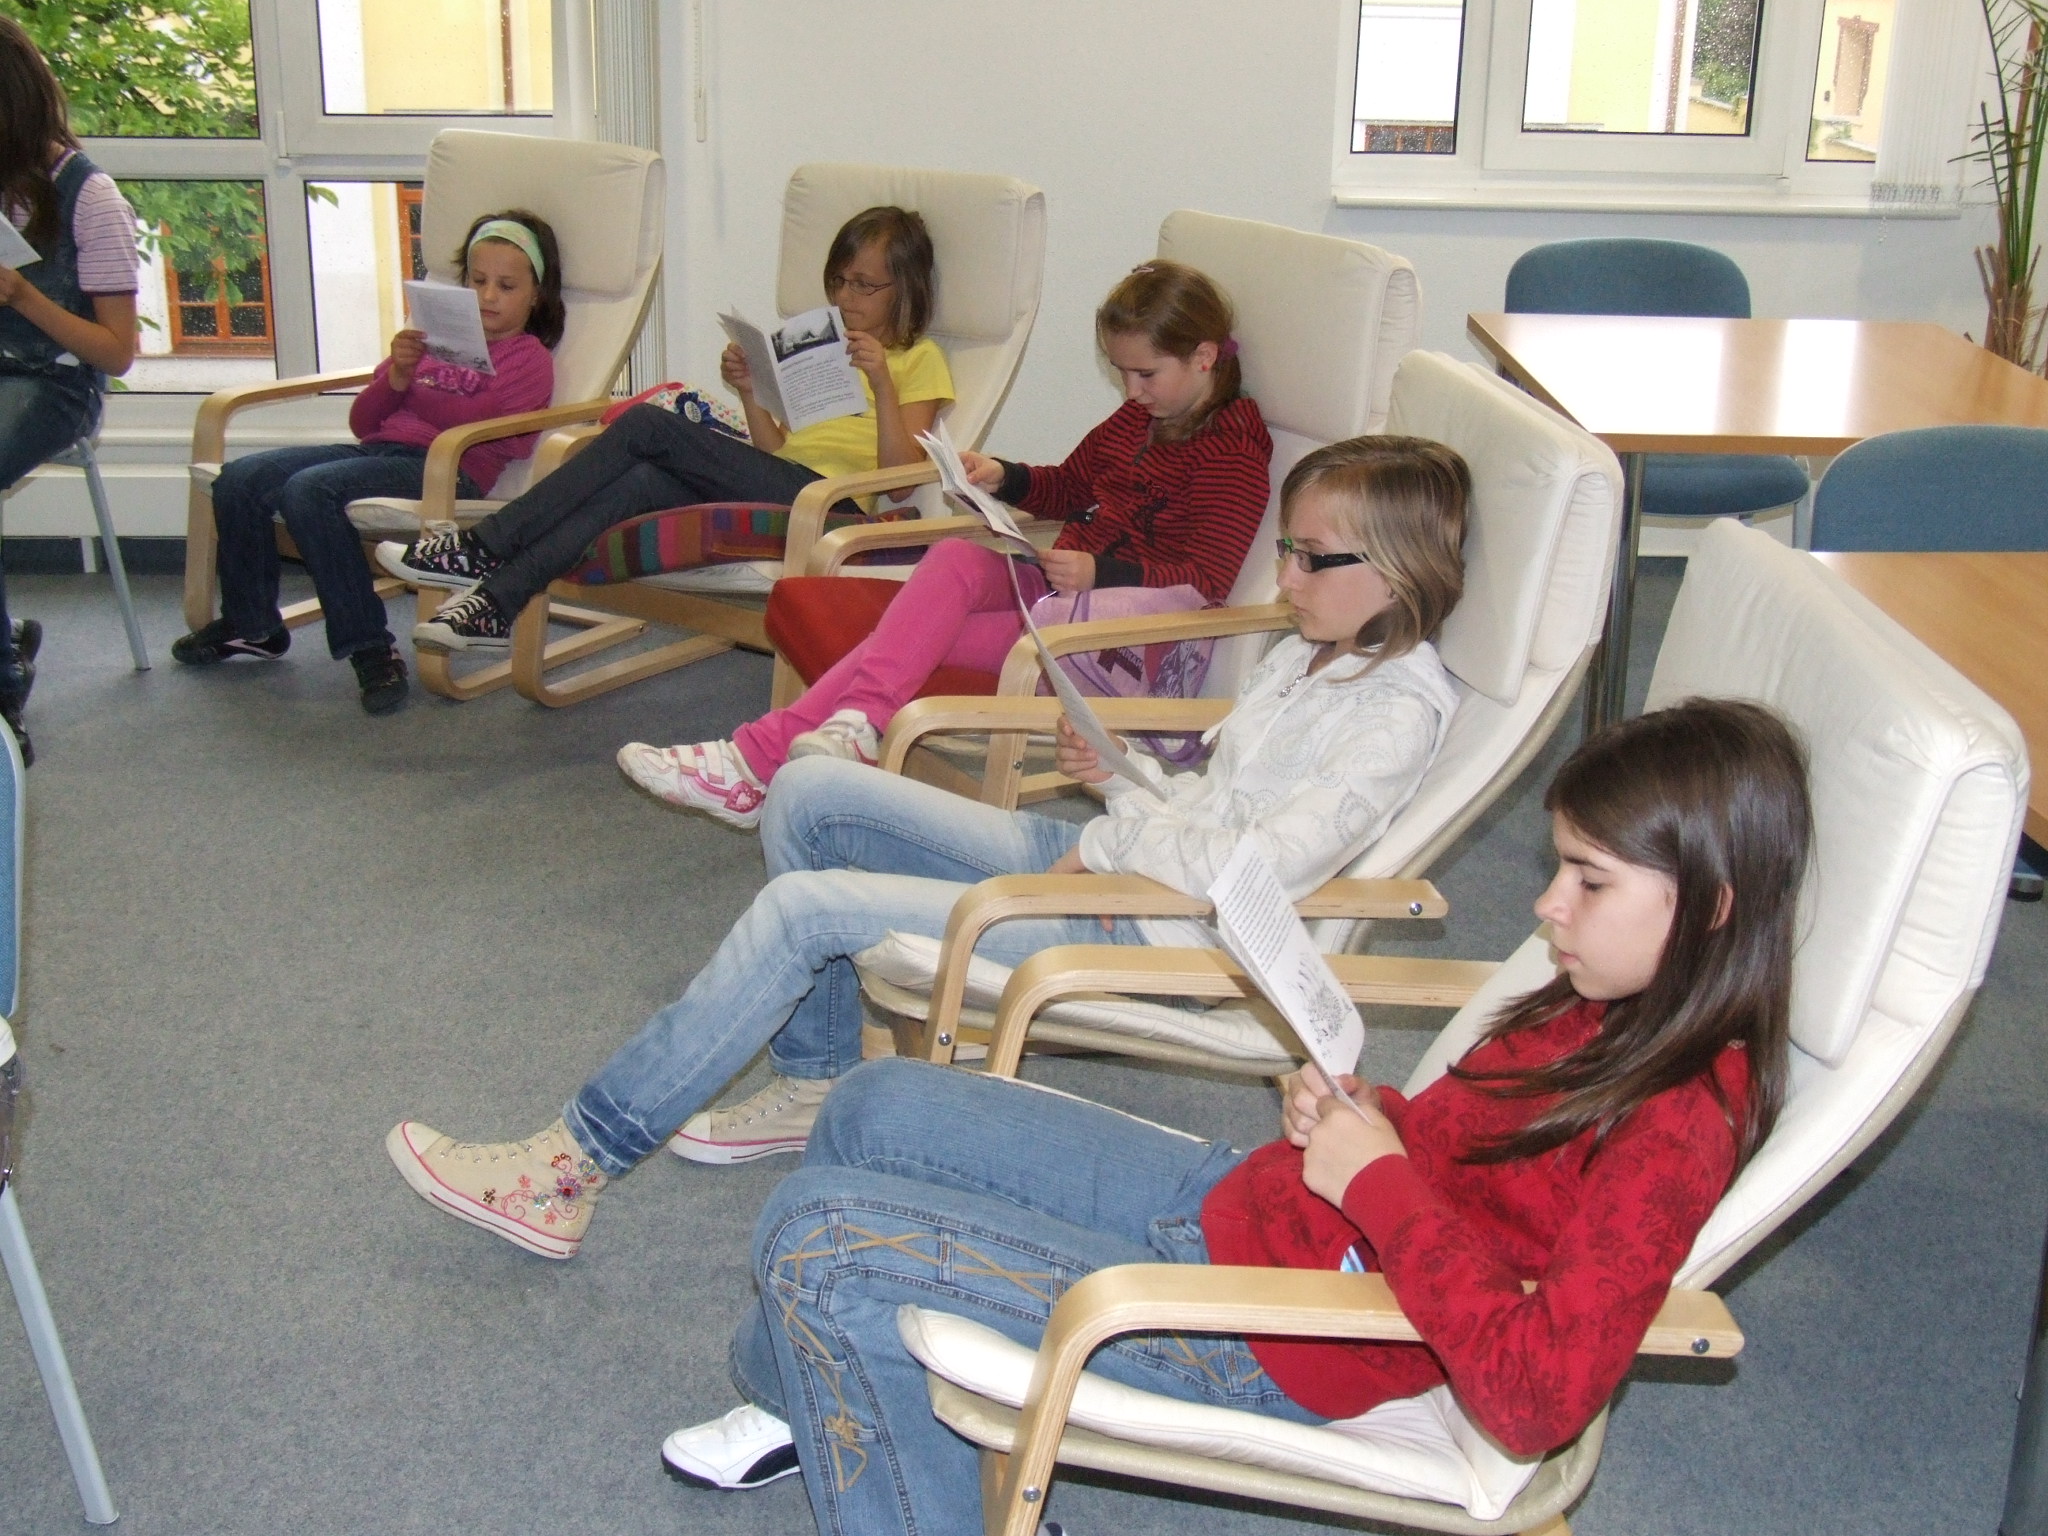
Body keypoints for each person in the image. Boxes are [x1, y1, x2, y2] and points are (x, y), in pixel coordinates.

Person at [656, 695, 1813, 1531]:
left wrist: (1375, 1180)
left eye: (1588, 881)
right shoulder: (1603, 999)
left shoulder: (1677, 1123)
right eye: (1559, 867)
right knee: (872, 1104)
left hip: (1270, 1334)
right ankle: (817, 1394)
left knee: (816, 1240)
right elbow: (1476, 1163)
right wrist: (1364, 1115)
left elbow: (1534, 1396)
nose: (1546, 904)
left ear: (1711, 906)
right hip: (1238, 1203)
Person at [385, 433, 1468, 1235]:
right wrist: (1126, 777)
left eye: (1311, 558)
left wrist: (1116, 829)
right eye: (1286, 550)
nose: (1283, 578)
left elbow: (1255, 869)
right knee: (811, 790)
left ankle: (569, 1168)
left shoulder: (1392, 716)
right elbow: (1217, 804)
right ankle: (815, 1078)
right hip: (1115, 867)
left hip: (1160, 932)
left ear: (1397, 572)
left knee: (803, 911)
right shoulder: (1316, 651)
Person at [615, 259, 1273, 830]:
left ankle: (753, 762)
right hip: (1057, 593)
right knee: (955, 558)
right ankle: (845, 731)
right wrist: (1003, 475)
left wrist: (1102, 571)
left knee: (916, 637)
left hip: (1111, 638)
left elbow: (1205, 578)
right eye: (1122, 373)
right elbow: (1073, 485)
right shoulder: (1141, 418)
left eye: (1145, 374)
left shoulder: (1234, 454)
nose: (1131, 391)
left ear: (1204, 357)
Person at [376, 205, 953, 653]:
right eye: (840, 281)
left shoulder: (918, 358)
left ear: (905, 288)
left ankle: (480, 547)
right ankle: (496, 606)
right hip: (785, 483)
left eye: (864, 285)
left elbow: (900, 480)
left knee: (650, 423)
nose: (846, 297)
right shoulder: (828, 349)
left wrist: (882, 384)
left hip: (834, 507)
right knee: (639, 483)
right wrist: (750, 392)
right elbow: (777, 450)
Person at [171, 210, 562, 714]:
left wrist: (426, 382)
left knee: (309, 491)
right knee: (240, 479)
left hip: (447, 471)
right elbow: (363, 421)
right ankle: (253, 626)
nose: (488, 296)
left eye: (506, 286)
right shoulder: (428, 339)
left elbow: (507, 438)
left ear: (535, 295)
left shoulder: (528, 358)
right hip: (378, 451)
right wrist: (397, 376)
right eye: (477, 280)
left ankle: (370, 647)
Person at [0, 17, 141, 764]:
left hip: (56, 382)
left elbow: (117, 353)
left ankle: (2, 689)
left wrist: (23, 297)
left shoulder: (91, 197)